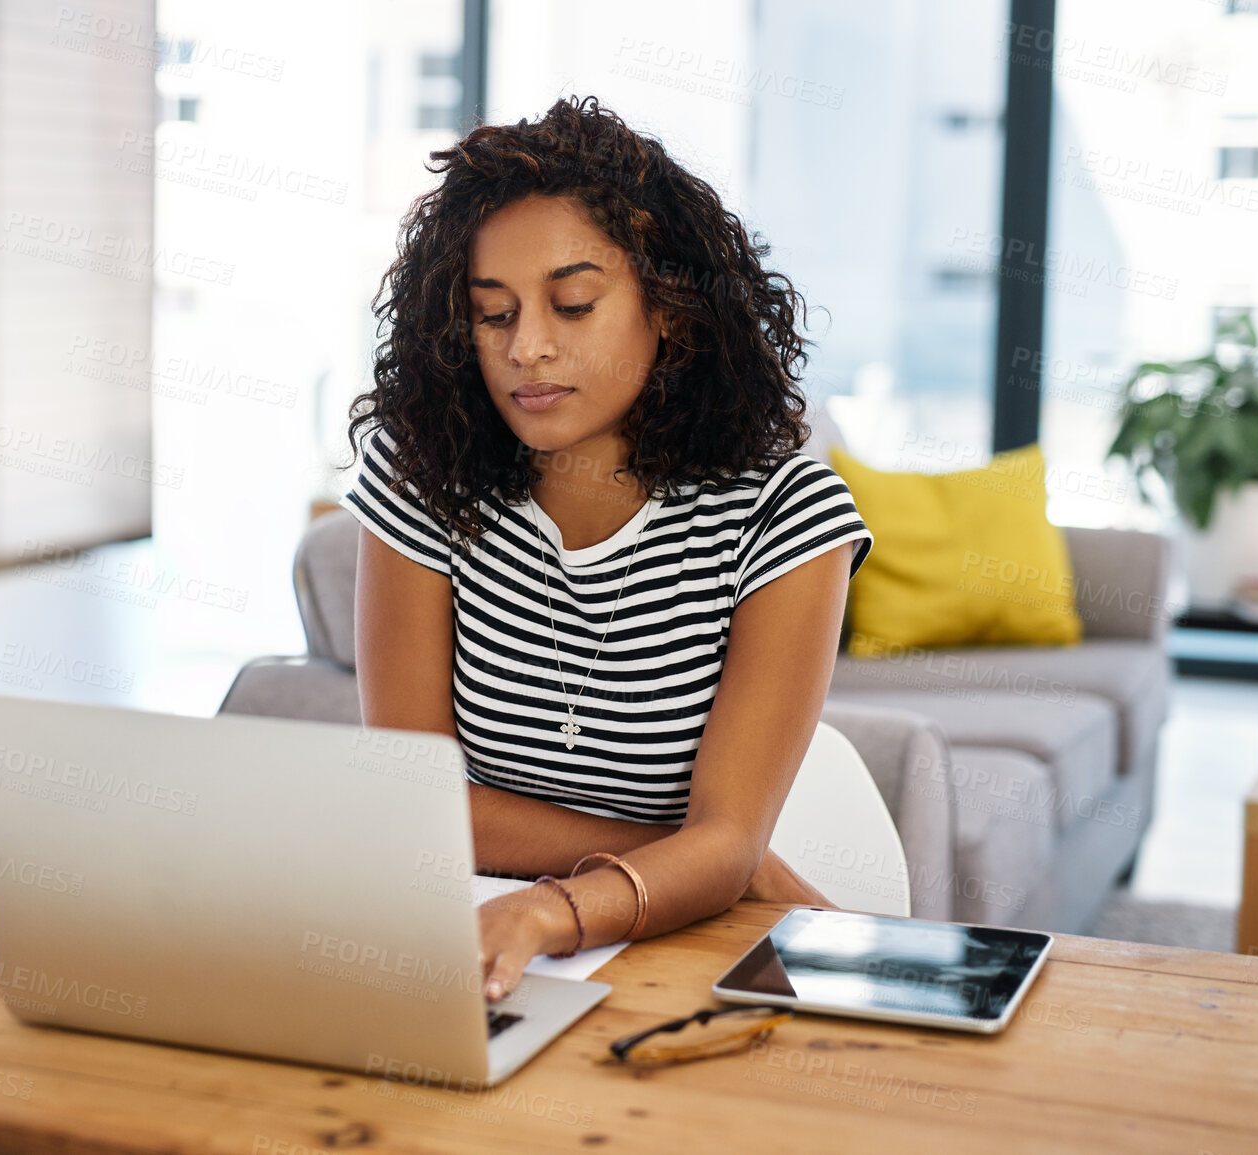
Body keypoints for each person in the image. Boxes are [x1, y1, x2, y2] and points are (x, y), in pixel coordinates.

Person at [338, 95, 873, 1002]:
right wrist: (710, 861)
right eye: (493, 315)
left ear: (668, 308)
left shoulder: (782, 513)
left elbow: (726, 835)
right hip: (464, 940)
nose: (527, 349)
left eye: (573, 304)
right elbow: (413, 803)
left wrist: (562, 907)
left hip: (679, 952)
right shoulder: (421, 471)